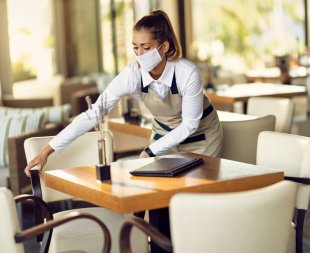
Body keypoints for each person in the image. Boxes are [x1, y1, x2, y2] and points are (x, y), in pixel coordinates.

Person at [25, 9, 223, 177]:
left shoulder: (186, 73)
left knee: (197, 196)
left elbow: (189, 125)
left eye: (146, 48)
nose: (139, 55)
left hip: (201, 138)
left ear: (164, 47)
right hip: (163, 134)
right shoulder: (132, 75)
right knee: (155, 196)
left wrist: (150, 150)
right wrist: (47, 150)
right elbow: (94, 113)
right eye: (136, 48)